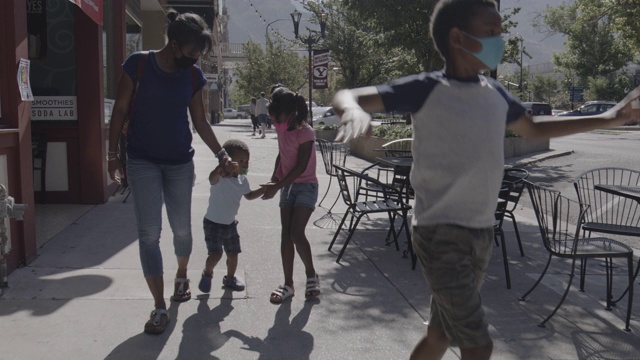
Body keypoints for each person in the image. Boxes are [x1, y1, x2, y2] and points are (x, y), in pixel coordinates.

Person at [331, 0, 640, 359]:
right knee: (478, 345)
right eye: (491, 32)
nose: (500, 42)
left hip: (480, 231)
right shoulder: (427, 88)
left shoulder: (496, 94)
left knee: (439, 335)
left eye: (500, 33)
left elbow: (535, 129)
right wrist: (353, 109)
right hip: (439, 232)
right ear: (458, 38)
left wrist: (608, 117)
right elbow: (347, 95)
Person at [107, 9, 232, 335]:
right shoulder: (139, 64)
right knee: (149, 234)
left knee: (181, 231)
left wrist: (221, 154)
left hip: (179, 162)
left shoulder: (192, 77)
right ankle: (160, 307)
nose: (195, 60)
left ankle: (181, 275)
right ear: (174, 44)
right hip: (142, 160)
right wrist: (111, 156)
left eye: (199, 55)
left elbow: (201, 122)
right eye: (192, 53)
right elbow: (119, 110)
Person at [260, 87, 321, 304]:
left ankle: (311, 275)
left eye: (277, 115)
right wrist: (274, 179)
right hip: (287, 186)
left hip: (306, 186)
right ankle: (288, 284)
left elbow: (300, 166)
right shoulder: (282, 128)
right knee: (285, 235)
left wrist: (277, 186)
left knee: (296, 233)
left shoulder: (306, 133)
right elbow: (283, 154)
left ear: (291, 113)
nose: (274, 120)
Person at [198, 139, 266, 294]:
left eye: (247, 161)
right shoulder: (220, 177)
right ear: (228, 161)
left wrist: (263, 190)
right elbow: (211, 178)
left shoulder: (243, 180)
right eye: (241, 160)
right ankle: (207, 273)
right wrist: (221, 167)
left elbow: (248, 195)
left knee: (233, 254)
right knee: (216, 254)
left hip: (230, 224)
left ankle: (230, 278)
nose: (245, 164)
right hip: (212, 223)